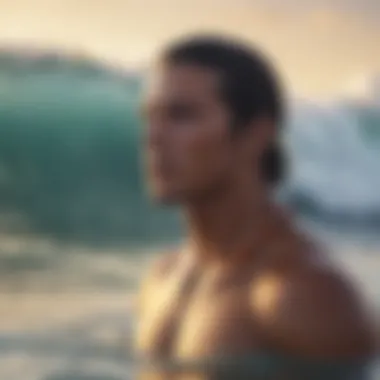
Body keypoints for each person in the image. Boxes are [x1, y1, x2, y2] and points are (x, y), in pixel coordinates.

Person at [135, 34, 376, 379]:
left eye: (181, 116)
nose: (153, 136)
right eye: (150, 117)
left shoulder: (302, 294)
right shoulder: (161, 278)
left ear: (255, 134)